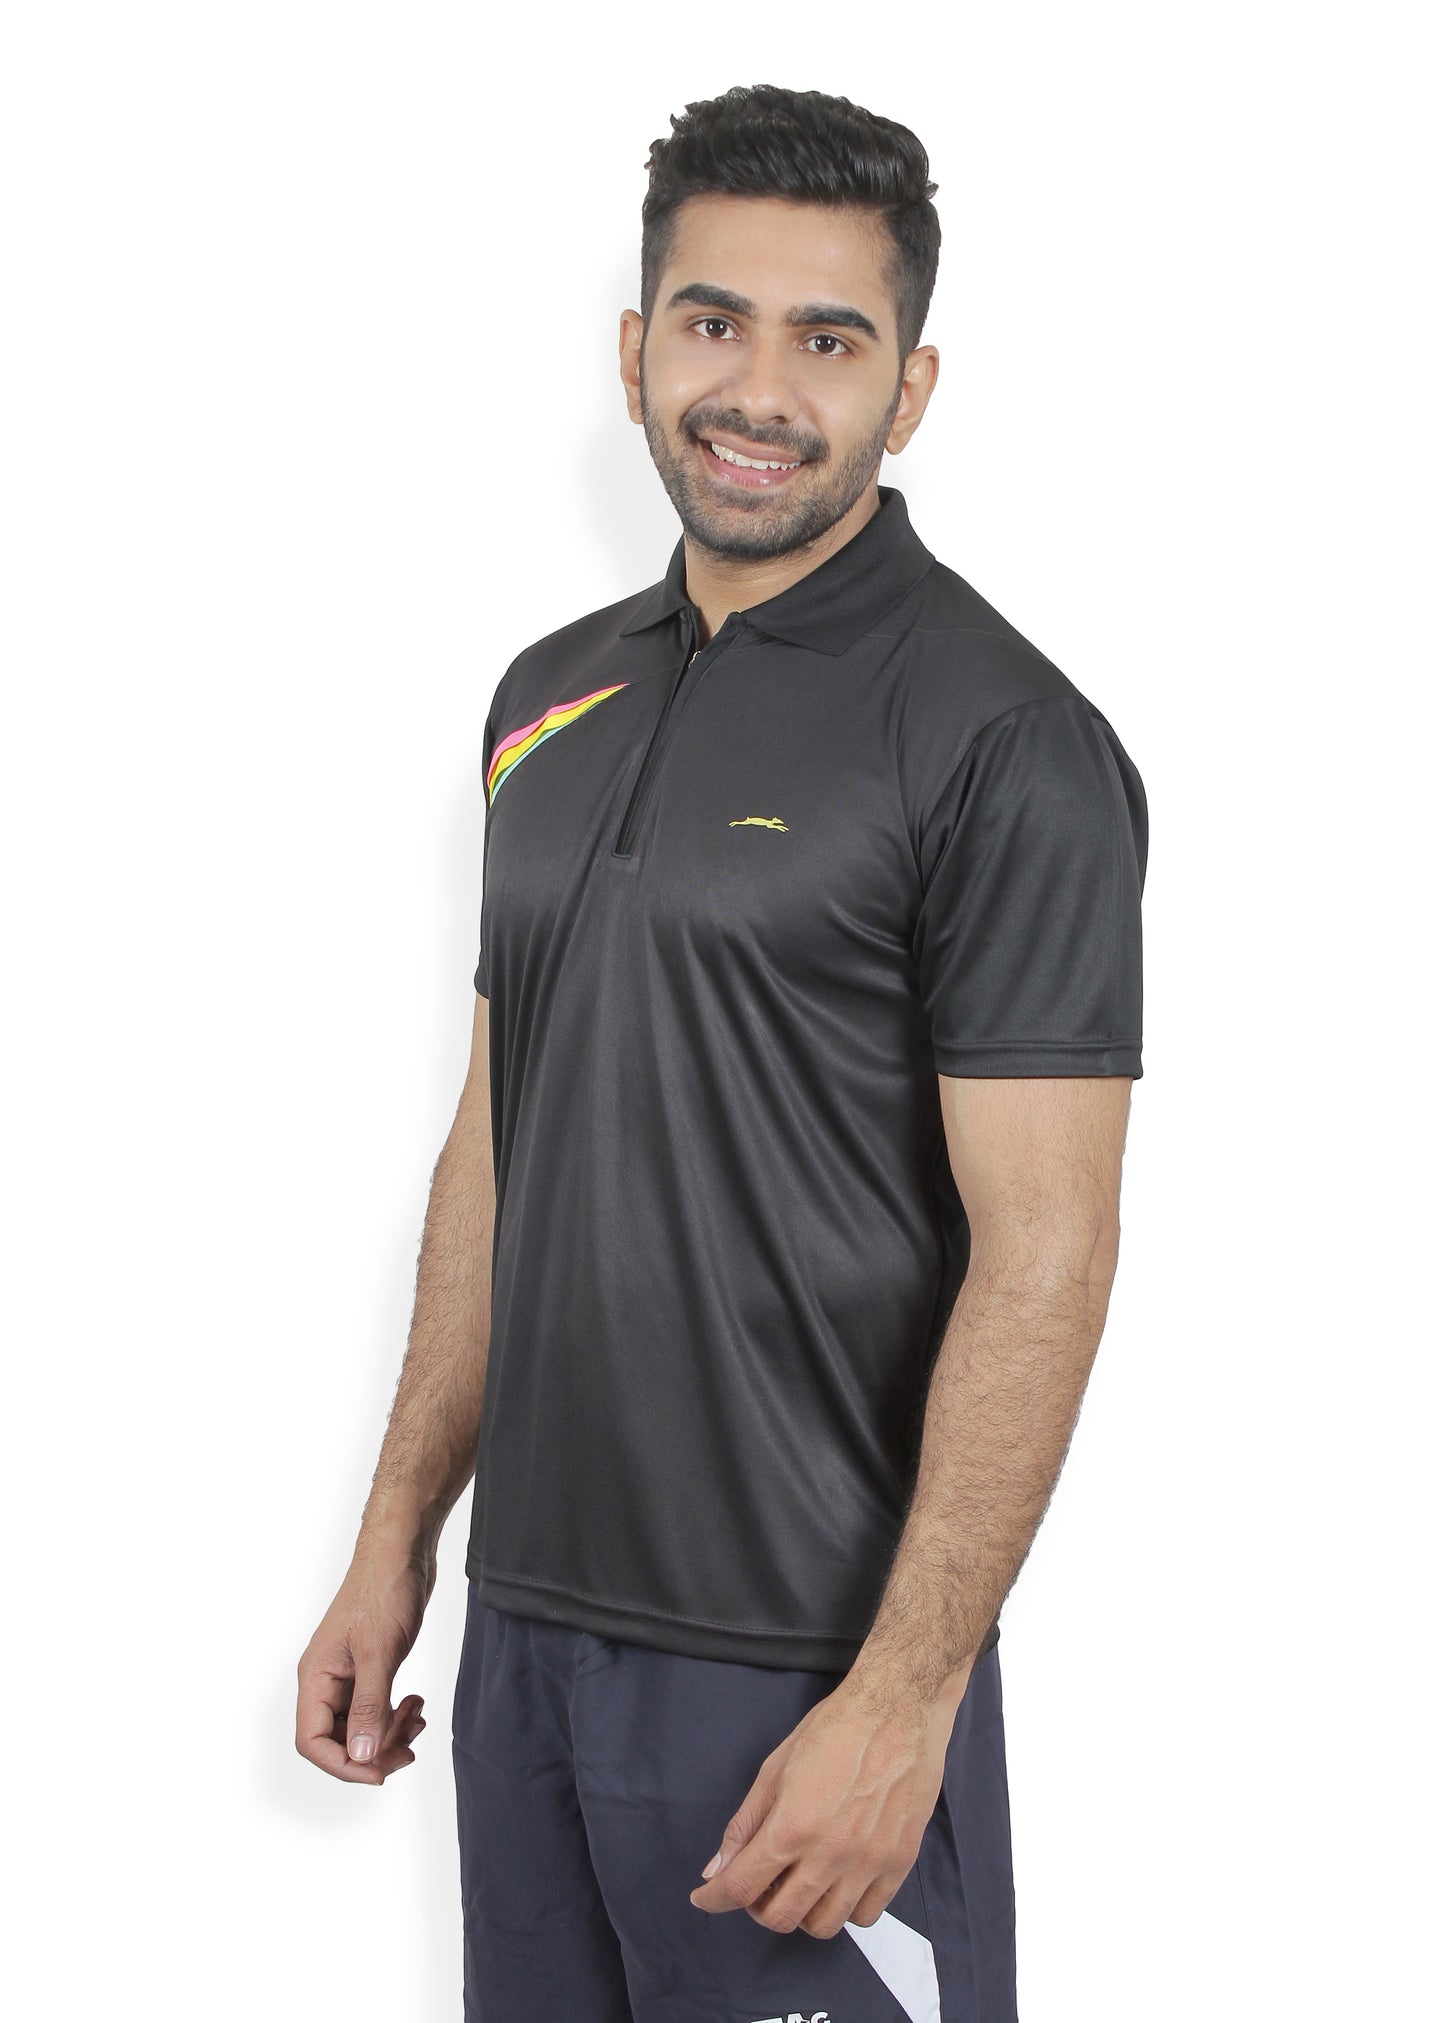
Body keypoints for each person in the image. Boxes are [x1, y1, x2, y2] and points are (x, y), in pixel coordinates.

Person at [296, 82, 1147, 2023]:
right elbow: (502, 1138)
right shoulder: (548, 696)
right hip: (528, 1643)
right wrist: (395, 1541)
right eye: (713, 322)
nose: (758, 389)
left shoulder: (1000, 738)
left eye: (827, 341)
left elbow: (1049, 1250)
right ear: (634, 350)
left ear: (909, 390)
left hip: (800, 1664)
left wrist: (905, 1695)